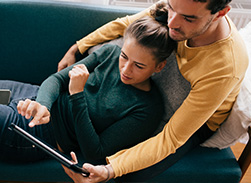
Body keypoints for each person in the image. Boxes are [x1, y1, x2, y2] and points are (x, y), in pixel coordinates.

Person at [59, 0, 249, 182]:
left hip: (200, 123)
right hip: (158, 90)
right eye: (172, 8)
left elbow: (172, 138)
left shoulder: (225, 66)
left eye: (188, 19)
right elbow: (124, 25)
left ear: (221, 13)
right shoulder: (176, 9)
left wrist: (110, 170)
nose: (172, 22)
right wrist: (78, 47)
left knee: (130, 174)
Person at [0, 11, 176, 165]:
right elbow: (56, 80)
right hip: (32, 96)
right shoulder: (110, 53)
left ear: (159, 66)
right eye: (124, 56)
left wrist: (77, 94)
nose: (125, 68)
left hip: (36, 136)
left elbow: (95, 153)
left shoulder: (148, 109)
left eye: (139, 66)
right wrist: (43, 105)